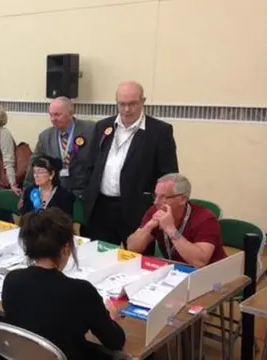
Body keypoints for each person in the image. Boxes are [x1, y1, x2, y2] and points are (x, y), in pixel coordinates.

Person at [2, 208, 126, 359]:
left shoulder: (12, 280)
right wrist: (110, 318)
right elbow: (115, 341)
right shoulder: (81, 291)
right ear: (66, 248)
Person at [83, 81, 178, 254]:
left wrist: (157, 206)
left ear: (143, 101)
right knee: (98, 257)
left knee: (136, 261)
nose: (127, 109)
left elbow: (168, 175)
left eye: (132, 104)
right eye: (122, 104)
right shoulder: (103, 126)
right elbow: (91, 164)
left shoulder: (159, 132)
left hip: (137, 210)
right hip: (101, 207)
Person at [127, 173, 226, 267]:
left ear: (182, 199)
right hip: (177, 271)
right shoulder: (155, 210)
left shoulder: (205, 218)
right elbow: (132, 248)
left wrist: (171, 229)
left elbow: (199, 262)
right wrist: (149, 226)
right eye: (155, 196)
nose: (156, 202)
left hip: (211, 275)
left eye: (163, 197)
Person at [24, 97, 95, 198]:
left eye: (57, 114)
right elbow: (34, 163)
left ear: (70, 114)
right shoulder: (45, 136)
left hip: (84, 193)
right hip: (57, 194)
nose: (53, 119)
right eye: (51, 115)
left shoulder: (91, 130)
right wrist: (26, 190)